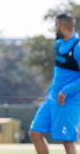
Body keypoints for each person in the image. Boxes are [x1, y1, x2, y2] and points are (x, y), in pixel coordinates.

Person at [29, 13, 80, 154]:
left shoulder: (78, 47)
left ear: (63, 27)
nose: (54, 28)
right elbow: (59, 74)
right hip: (51, 99)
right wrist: (51, 93)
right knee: (35, 133)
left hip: (69, 102)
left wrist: (66, 91)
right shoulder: (59, 44)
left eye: (56, 25)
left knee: (67, 141)